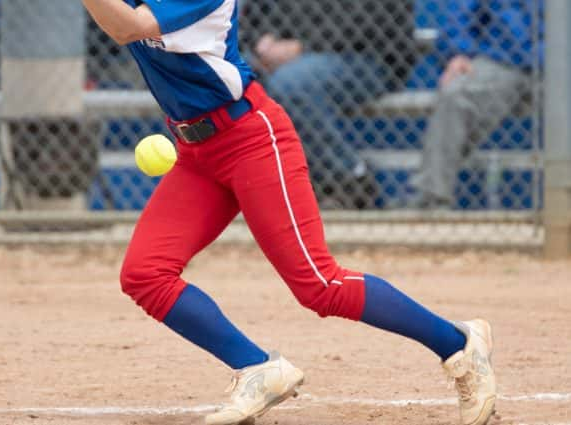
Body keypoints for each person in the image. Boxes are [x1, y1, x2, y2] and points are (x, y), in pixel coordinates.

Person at [81, 1, 496, 424]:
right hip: (195, 153)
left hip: (252, 141)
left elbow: (127, 27)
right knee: (144, 273)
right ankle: (258, 368)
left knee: (321, 285)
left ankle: (458, 344)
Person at [239, 0, 417, 209]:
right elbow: (257, 12)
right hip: (293, 56)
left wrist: (302, 46)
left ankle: (350, 178)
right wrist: (263, 39)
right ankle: (258, 187)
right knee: (231, 74)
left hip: (364, 57)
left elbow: (370, 23)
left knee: (293, 83)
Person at [412, 0, 543, 208]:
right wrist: (457, 53)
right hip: (504, 61)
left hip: (561, 63)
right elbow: (460, 15)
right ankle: (431, 200)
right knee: (455, 95)